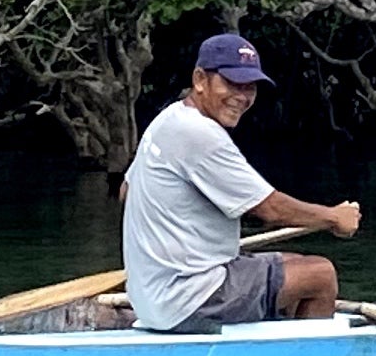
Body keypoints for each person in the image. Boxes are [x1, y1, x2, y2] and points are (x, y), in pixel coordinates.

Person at [122, 32, 359, 331]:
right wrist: (334, 217)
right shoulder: (201, 134)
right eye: (232, 84)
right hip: (187, 300)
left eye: (249, 87)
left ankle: (277, 340)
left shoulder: (168, 119)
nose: (242, 97)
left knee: (295, 261)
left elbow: (125, 192)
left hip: (150, 296)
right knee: (320, 274)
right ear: (200, 80)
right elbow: (270, 209)